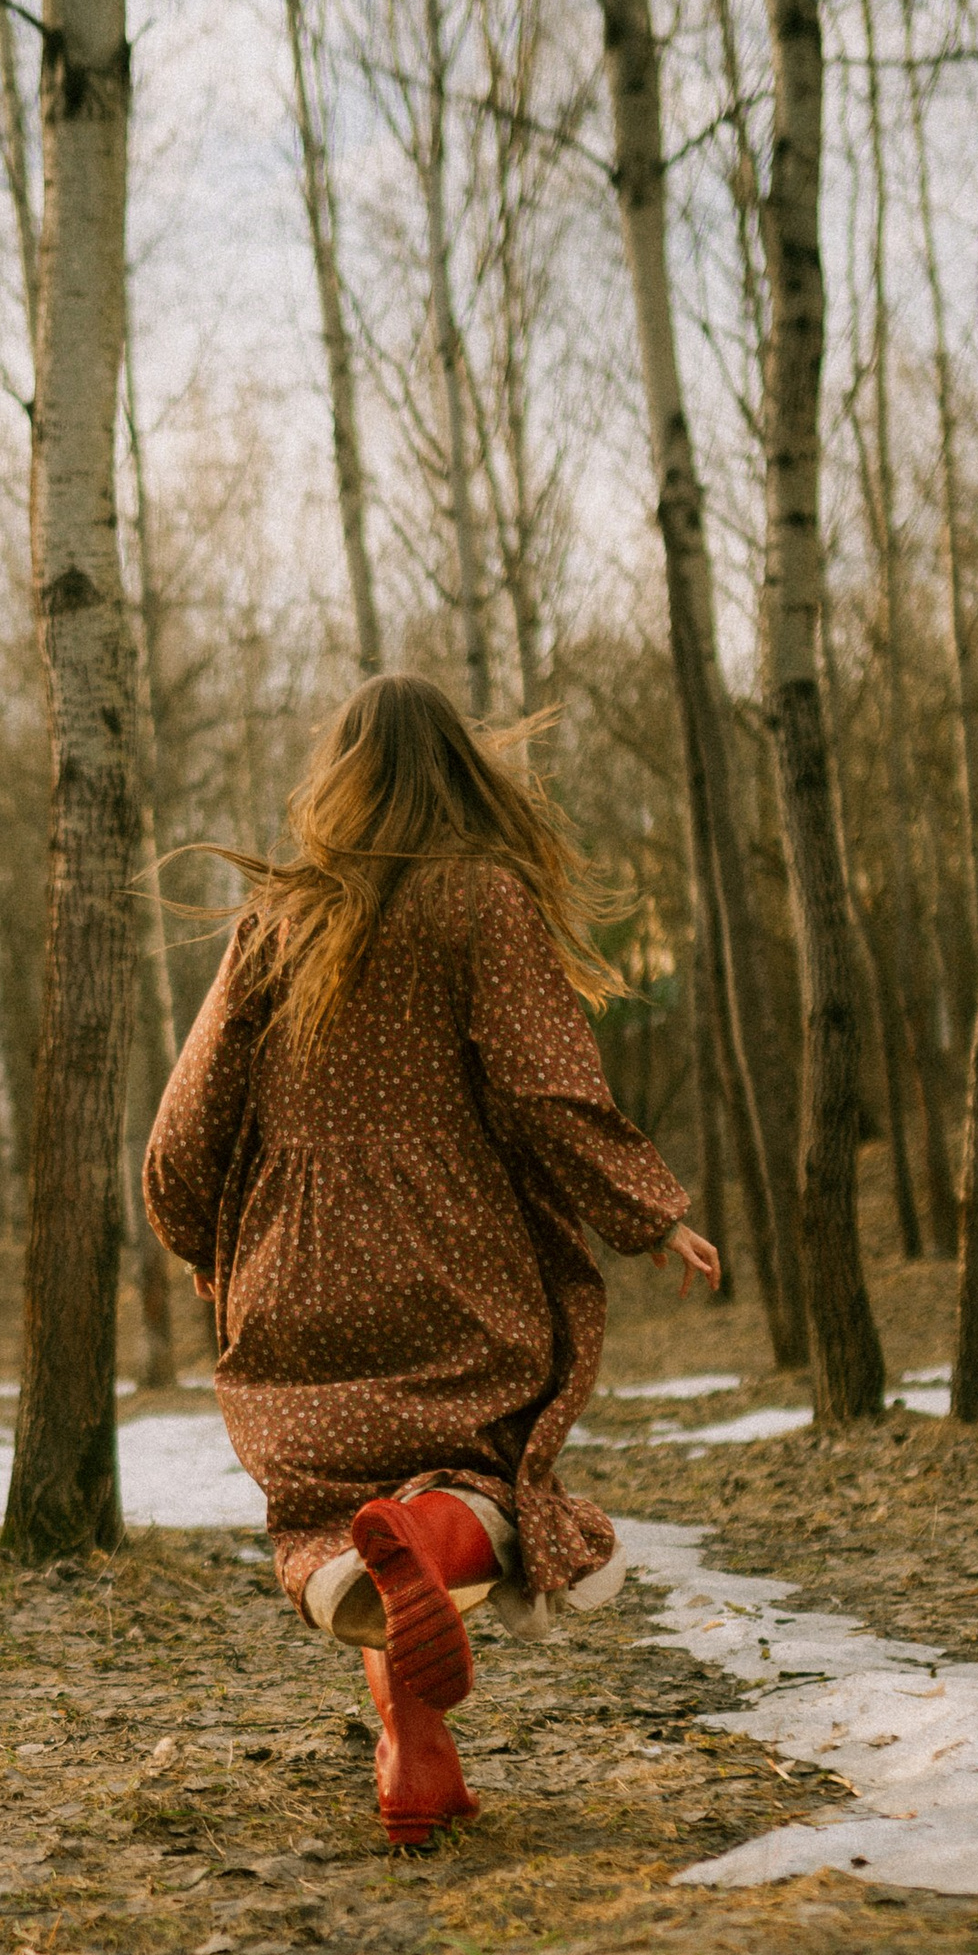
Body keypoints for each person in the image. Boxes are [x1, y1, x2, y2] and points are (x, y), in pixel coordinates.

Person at [143, 672, 721, 1851]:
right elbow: (543, 1080)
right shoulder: (480, 898)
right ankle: (433, 1556)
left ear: (342, 773)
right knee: (481, 1474)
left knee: (334, 1507)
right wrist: (648, 1209)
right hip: (451, 1252)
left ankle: (416, 1759)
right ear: (461, 767)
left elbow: (186, 1117)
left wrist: (206, 1242)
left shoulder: (276, 915)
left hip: (291, 1261)